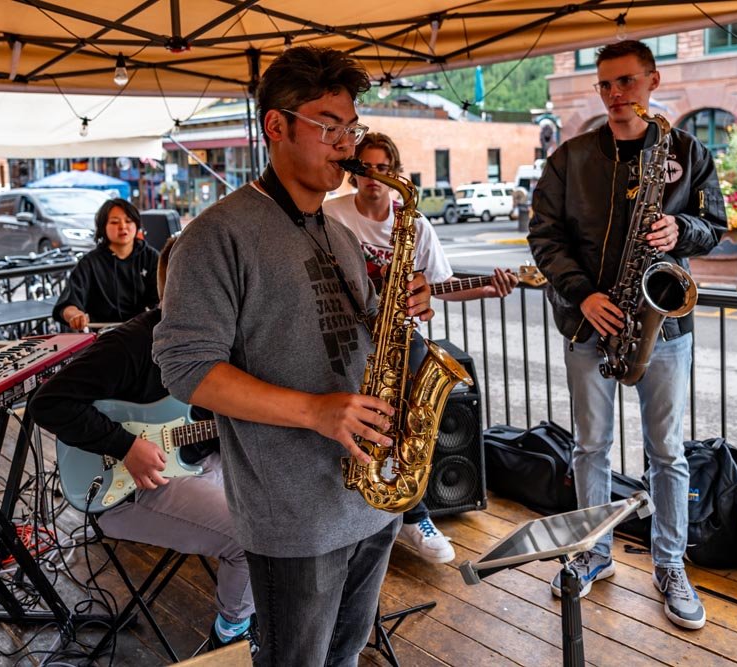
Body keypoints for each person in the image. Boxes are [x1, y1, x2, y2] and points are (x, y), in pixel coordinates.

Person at [152, 46, 434, 666]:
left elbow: (351, 340)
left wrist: (395, 308)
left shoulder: (339, 232)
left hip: (371, 496)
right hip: (294, 518)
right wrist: (315, 412)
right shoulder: (216, 235)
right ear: (275, 125)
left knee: (346, 656)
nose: (346, 145)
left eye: (351, 128)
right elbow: (186, 368)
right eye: (328, 125)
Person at [527, 40, 727, 631]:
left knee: (667, 451)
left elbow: (714, 225)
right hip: (592, 322)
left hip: (664, 324)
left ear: (652, 81)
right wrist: (582, 294)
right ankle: (594, 552)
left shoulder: (686, 150)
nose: (616, 95)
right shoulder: (570, 158)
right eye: (606, 85)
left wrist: (681, 229)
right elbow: (544, 236)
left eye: (626, 82)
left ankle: (669, 563)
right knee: (590, 447)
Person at [30, 238, 258, 653]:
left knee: (281, 512)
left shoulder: (221, 341)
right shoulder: (131, 343)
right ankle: (232, 634)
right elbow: (48, 403)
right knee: (250, 537)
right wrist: (125, 445)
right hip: (128, 488)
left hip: (196, 463)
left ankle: (263, 607)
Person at [324, 131, 519, 564]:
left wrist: (489, 288)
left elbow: (442, 286)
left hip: (397, 337)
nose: (375, 178)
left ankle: (412, 512)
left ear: (396, 174)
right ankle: (362, 507)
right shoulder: (330, 215)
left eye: (384, 169)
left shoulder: (413, 222)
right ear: (354, 174)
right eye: (367, 168)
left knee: (410, 422)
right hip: (342, 335)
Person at [52, 198, 159, 331]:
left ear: (137, 225)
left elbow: (162, 300)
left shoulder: (151, 257)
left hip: (144, 333)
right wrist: (75, 315)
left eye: (129, 221)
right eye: (114, 222)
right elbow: (67, 305)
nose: (123, 227)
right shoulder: (90, 262)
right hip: (104, 336)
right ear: (103, 227)